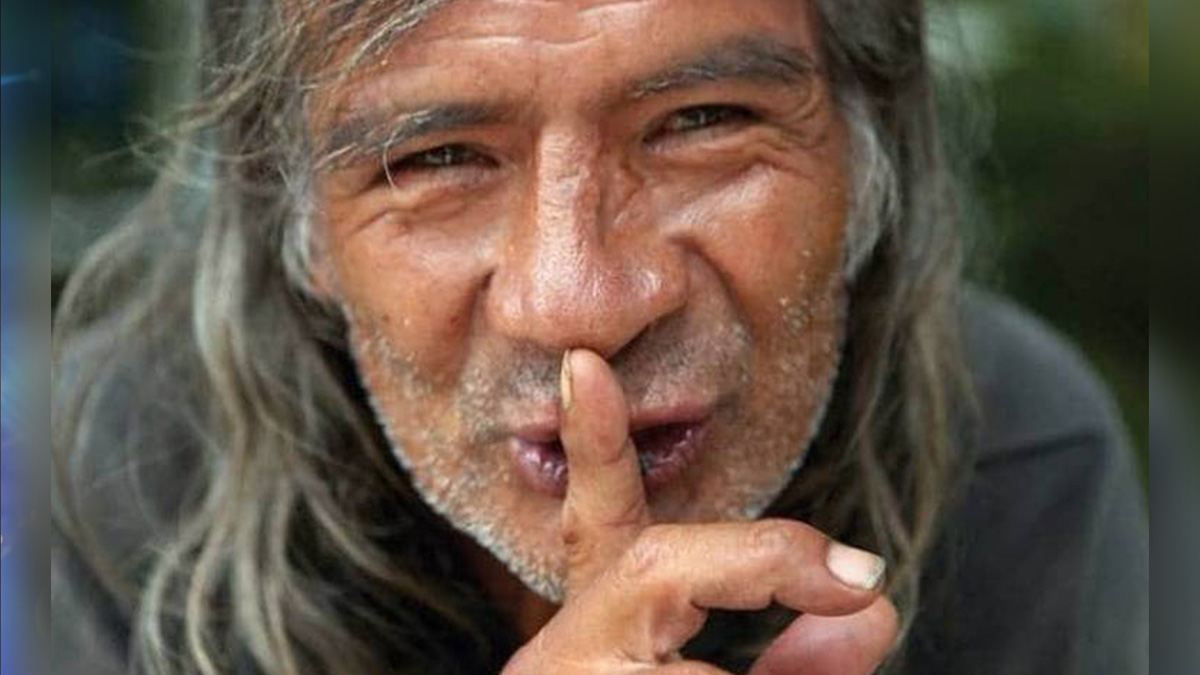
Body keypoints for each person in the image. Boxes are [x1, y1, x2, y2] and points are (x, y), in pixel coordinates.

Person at [51, 1, 1148, 674]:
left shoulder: (1018, 457)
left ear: (872, 160)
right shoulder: (94, 498)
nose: (580, 302)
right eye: (438, 159)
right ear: (300, 235)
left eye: (703, 122)